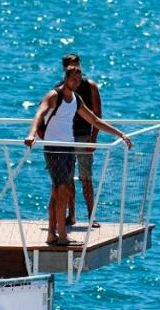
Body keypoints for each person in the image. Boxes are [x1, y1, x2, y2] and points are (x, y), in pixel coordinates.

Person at [25, 64, 131, 247]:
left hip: (69, 148)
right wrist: (31, 134)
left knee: (57, 192)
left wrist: (120, 134)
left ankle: (52, 234)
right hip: (54, 148)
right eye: (73, 78)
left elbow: (94, 120)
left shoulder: (76, 99)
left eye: (79, 79)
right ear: (66, 78)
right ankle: (62, 236)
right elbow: (39, 113)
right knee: (63, 189)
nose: (76, 82)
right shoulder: (54, 95)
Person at [59, 53, 103, 228]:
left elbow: (97, 113)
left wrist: (94, 139)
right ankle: (71, 215)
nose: (77, 72)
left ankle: (92, 215)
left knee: (86, 177)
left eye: (78, 67)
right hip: (66, 137)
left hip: (84, 136)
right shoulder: (60, 88)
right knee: (67, 179)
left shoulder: (89, 86)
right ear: (65, 69)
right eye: (72, 67)